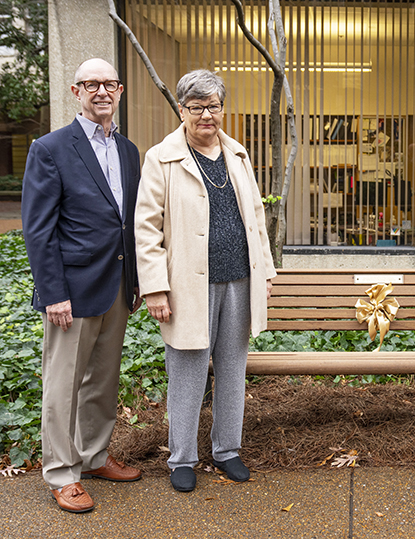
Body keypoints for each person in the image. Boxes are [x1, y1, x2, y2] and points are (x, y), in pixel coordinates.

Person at [135, 70, 276, 493]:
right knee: (188, 372)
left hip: (238, 281)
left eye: (212, 106)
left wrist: (265, 271)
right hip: (187, 287)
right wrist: (155, 287)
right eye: (196, 108)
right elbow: (146, 229)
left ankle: (227, 450)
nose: (205, 116)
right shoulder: (161, 158)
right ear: (182, 109)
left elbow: (255, 219)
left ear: (221, 108)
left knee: (233, 370)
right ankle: (182, 458)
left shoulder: (237, 154)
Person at [21, 58, 143, 513]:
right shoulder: (51, 148)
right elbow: (38, 229)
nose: (101, 91)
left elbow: (126, 223)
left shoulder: (129, 150)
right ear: (76, 92)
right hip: (70, 289)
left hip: (116, 284)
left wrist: (137, 281)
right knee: (62, 384)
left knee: (103, 380)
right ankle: (61, 473)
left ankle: (92, 457)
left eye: (109, 83)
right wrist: (53, 292)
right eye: (91, 84)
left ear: (120, 90)